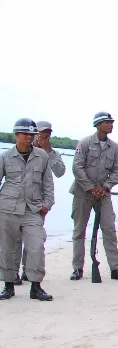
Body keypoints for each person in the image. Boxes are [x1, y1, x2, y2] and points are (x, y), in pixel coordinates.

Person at [70, 112, 118, 282]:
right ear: (98, 124)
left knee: (109, 229)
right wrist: (90, 188)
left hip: (103, 194)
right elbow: (77, 167)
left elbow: (117, 170)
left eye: (111, 122)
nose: (111, 125)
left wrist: (105, 187)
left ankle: (115, 268)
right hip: (83, 193)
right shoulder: (85, 143)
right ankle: (77, 268)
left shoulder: (114, 147)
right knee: (79, 231)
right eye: (107, 122)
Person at [0, 119, 55, 301]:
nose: (29, 138)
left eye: (31, 135)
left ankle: (36, 286)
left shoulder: (42, 156)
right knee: (6, 249)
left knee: (36, 247)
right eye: (25, 134)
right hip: (8, 209)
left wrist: (47, 204)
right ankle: (8, 285)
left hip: (33, 209)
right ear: (17, 135)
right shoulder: (5, 157)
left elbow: (48, 183)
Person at [14, 120, 66, 283]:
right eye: (42, 132)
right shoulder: (22, 149)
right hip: (17, 202)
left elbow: (60, 172)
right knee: (15, 239)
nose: (45, 136)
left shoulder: (50, 152)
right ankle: (12, 272)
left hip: (37, 203)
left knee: (34, 239)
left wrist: (49, 151)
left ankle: (28, 272)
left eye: (48, 133)